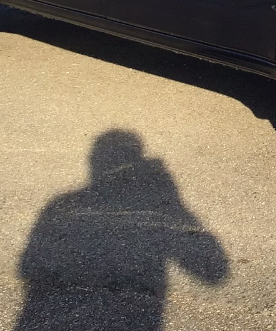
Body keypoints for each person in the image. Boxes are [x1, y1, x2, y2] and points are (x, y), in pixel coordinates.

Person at [15, 130, 228, 331]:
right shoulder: (63, 204)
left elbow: (27, 265)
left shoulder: (62, 203)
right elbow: (214, 272)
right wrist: (175, 204)